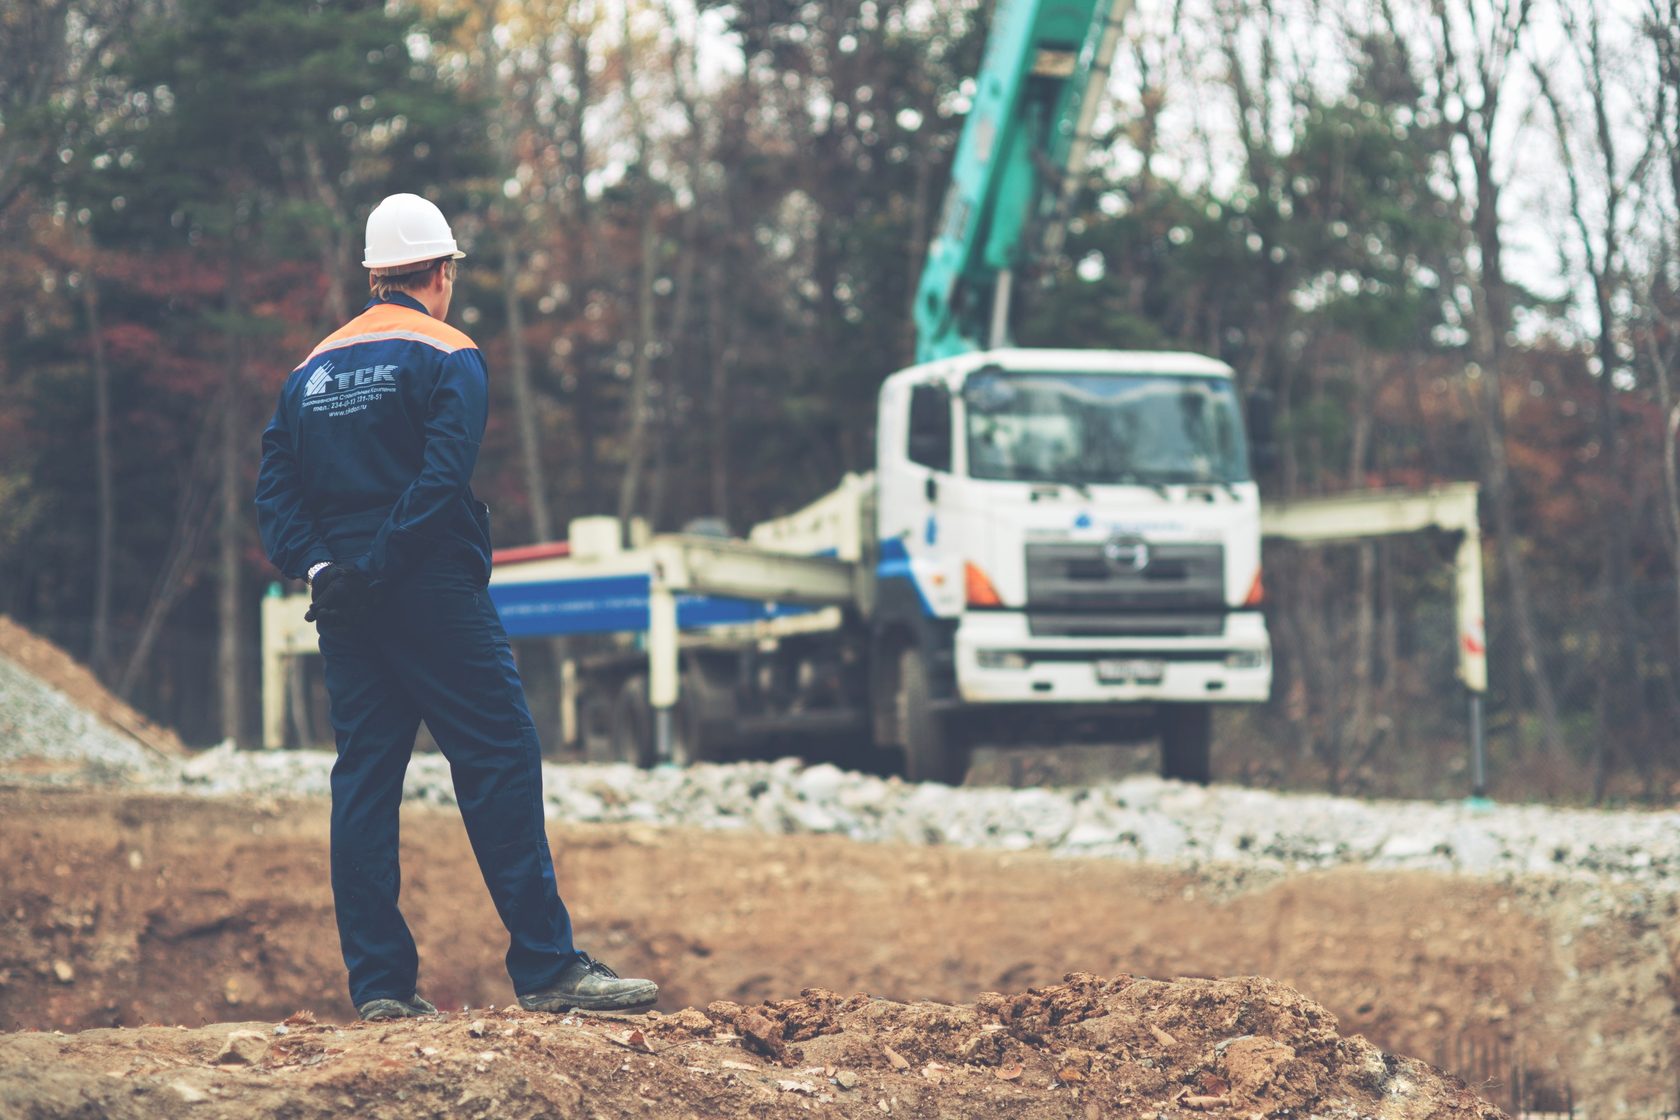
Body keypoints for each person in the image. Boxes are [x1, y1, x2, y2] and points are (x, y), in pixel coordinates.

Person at [254, 192, 657, 1021]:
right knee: (499, 757)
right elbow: (441, 479)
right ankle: (547, 967)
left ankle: (380, 988)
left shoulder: (311, 369)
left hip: (344, 604)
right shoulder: (450, 351)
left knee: (364, 781)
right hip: (427, 584)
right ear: (440, 272)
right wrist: (383, 563)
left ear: (373, 275)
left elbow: (274, 492)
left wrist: (324, 567)